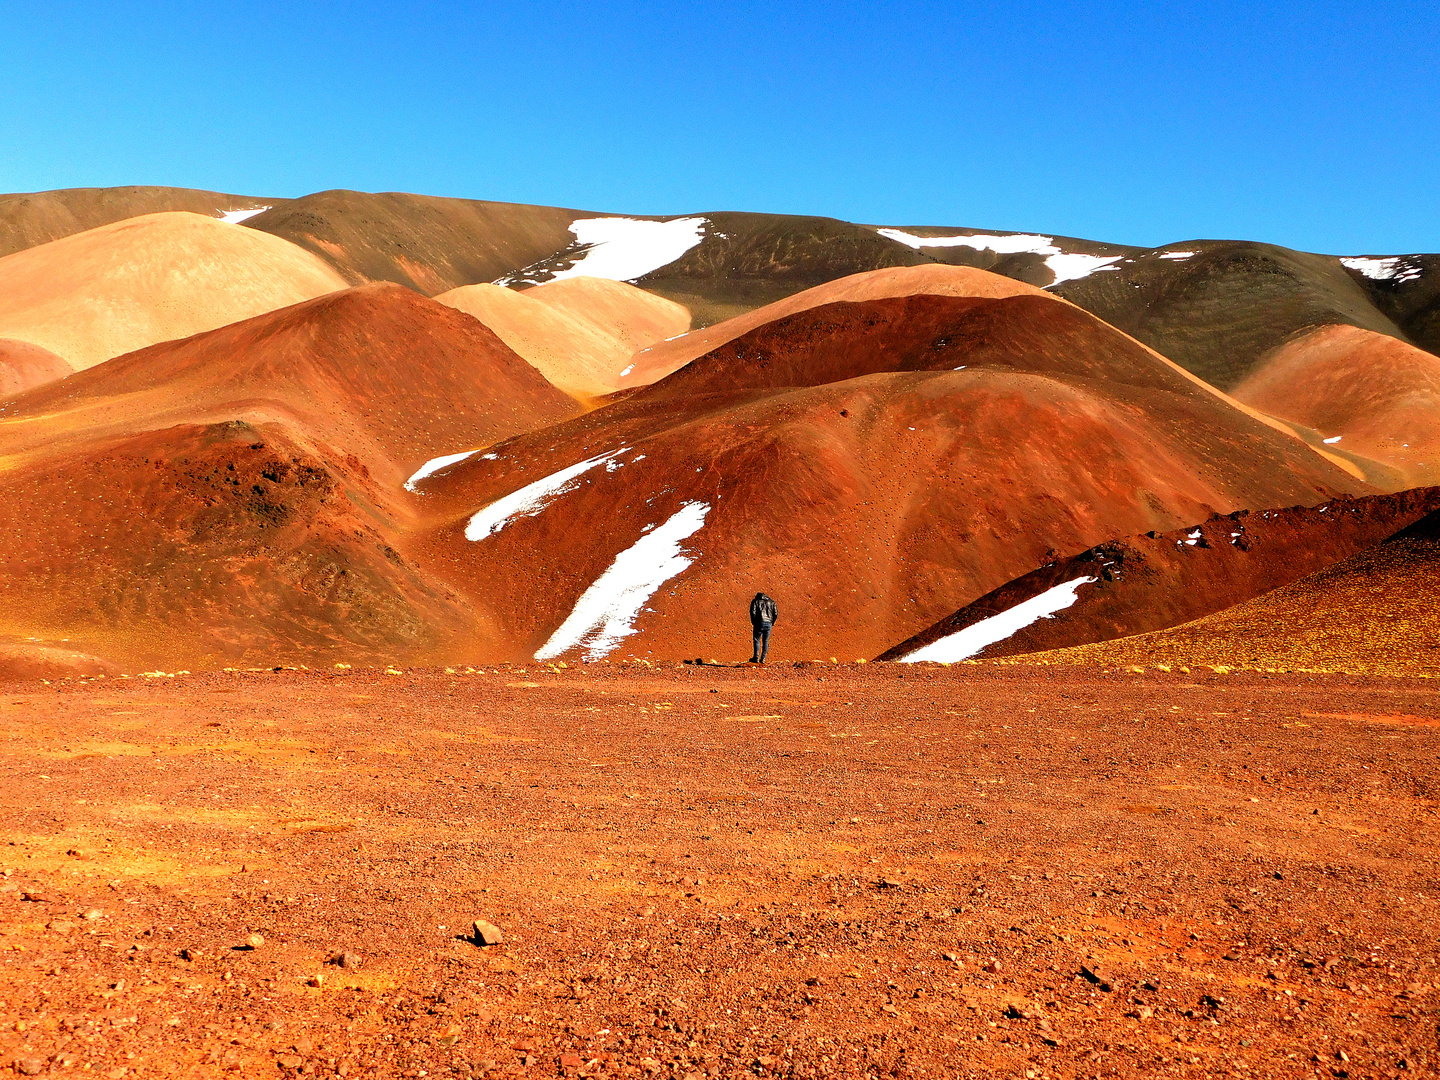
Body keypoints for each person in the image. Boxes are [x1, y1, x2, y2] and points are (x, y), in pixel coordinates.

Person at [749, 592, 778, 663]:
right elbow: (775, 613)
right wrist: (772, 622)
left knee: (757, 639)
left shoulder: (755, 601)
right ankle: (763, 658)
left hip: (759, 622)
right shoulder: (772, 602)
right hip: (769, 623)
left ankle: (756, 657)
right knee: (766, 640)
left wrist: (754, 622)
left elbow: (753, 612)